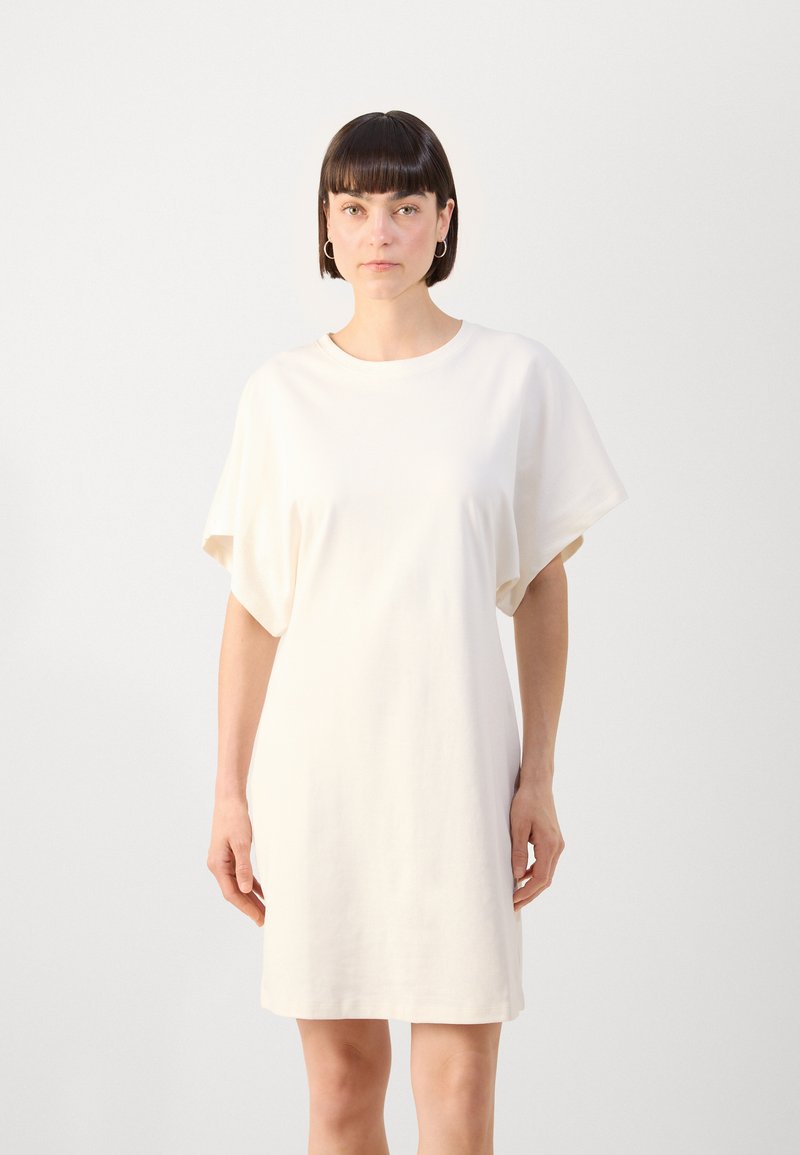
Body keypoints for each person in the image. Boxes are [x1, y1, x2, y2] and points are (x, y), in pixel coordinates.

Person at [203, 110, 628, 1155]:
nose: (378, 231)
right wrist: (229, 792)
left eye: (403, 206)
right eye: (353, 208)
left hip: (457, 774)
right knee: (342, 1090)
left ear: (443, 220)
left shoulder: (513, 378)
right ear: (325, 225)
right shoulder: (281, 395)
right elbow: (254, 608)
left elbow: (540, 585)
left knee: (458, 1094)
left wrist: (538, 777)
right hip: (320, 783)